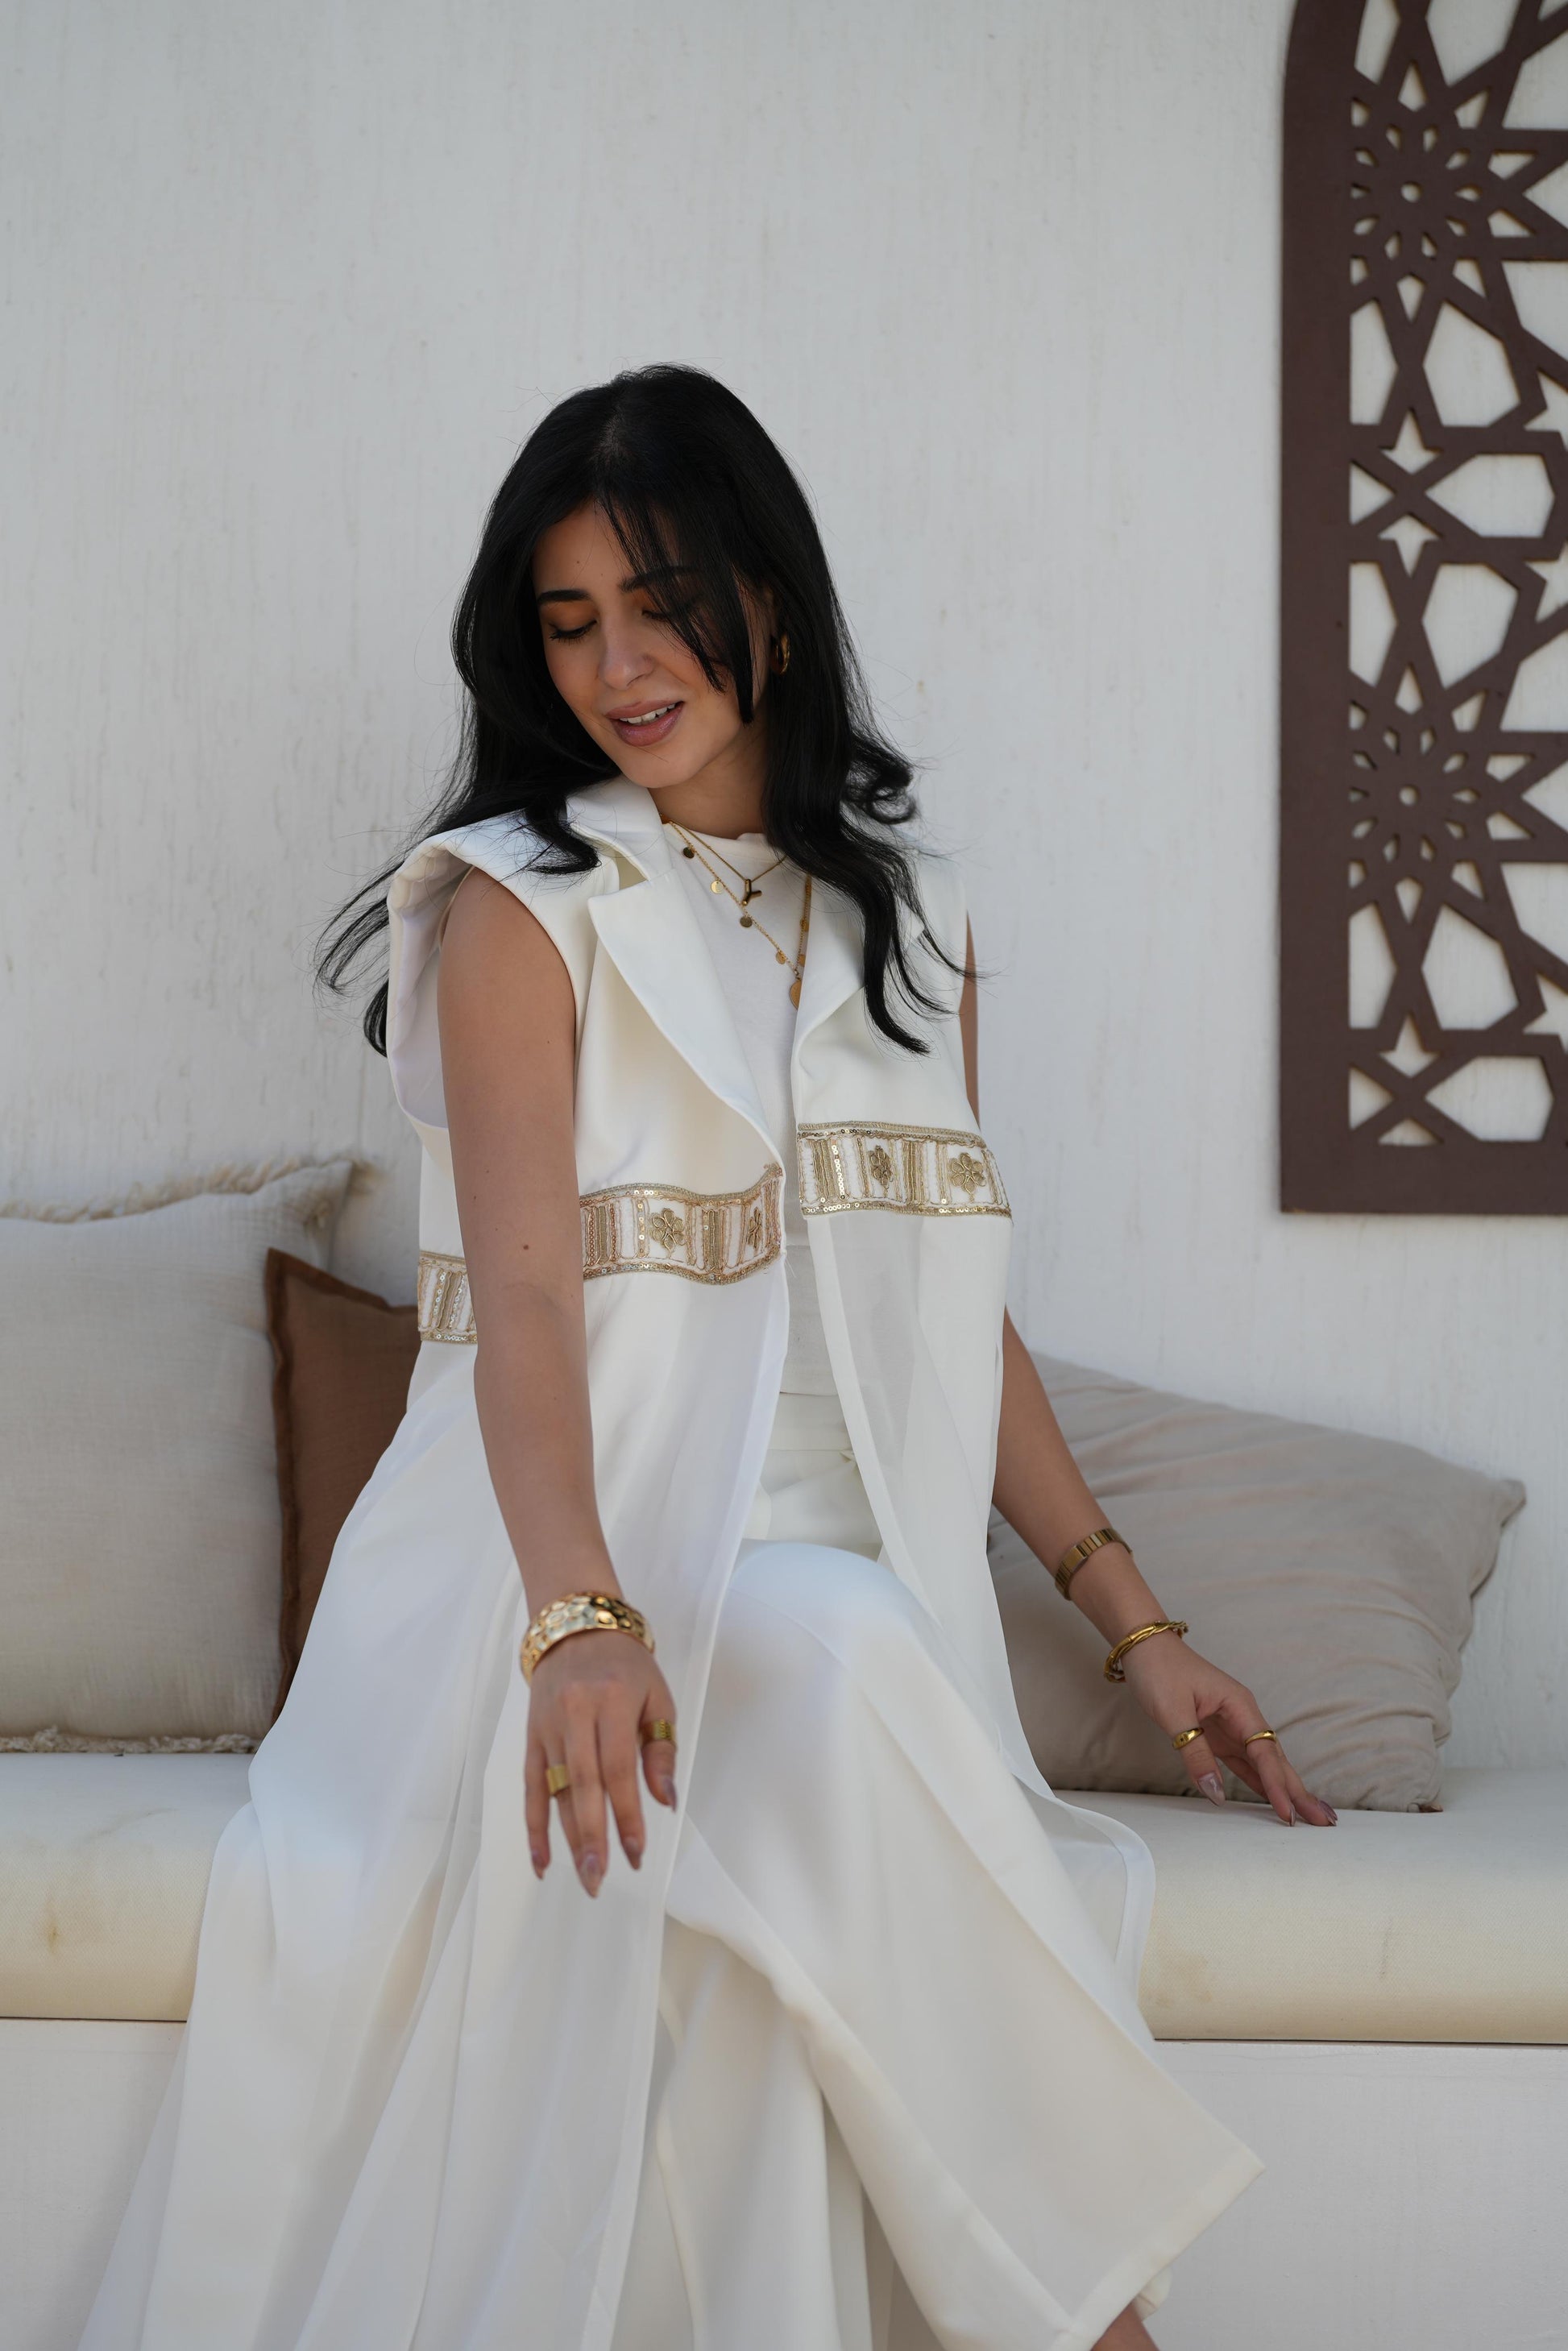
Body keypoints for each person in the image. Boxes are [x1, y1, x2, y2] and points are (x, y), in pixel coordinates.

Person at [82, 364, 1334, 2351]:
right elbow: (525, 1307)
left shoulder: (907, 929)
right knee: (834, 1657)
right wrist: (580, 1620)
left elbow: (948, 1303)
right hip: (550, 1577)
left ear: (770, 602)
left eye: (660, 605)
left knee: (839, 1676)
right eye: (570, 622)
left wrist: (1135, 1625)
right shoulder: (520, 907)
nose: (618, 668)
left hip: (839, 1602)